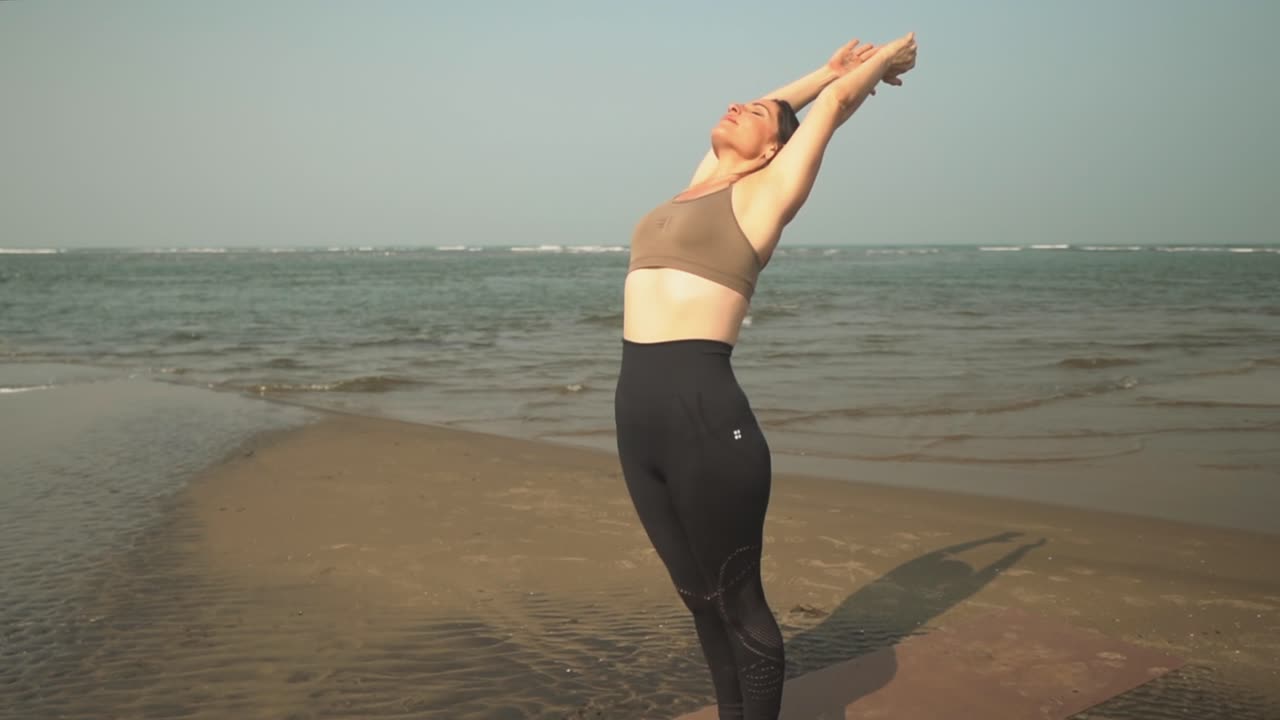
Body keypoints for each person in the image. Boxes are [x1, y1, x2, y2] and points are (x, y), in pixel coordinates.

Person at [613, 31, 919, 720]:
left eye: (753, 113)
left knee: (736, 597)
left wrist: (875, 65)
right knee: (697, 598)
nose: (738, 106)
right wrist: (825, 68)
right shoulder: (698, 183)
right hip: (637, 415)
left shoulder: (766, 195)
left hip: (702, 413)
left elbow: (830, 108)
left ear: (776, 149)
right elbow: (795, 99)